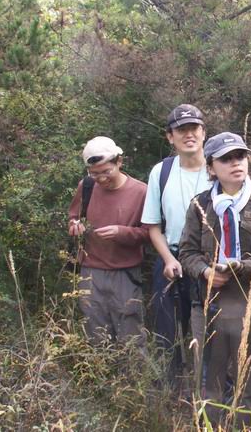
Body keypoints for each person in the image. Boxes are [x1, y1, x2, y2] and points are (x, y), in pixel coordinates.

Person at [178, 132, 251, 427]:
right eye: (226, 159)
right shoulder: (200, 205)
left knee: (249, 378)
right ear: (211, 168)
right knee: (209, 379)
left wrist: (243, 267)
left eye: (240, 156)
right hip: (208, 302)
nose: (236, 163)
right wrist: (206, 272)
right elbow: (186, 252)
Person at [141, 104, 212, 381]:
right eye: (181, 130)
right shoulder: (161, 172)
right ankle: (171, 394)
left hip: (211, 265)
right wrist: (168, 259)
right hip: (171, 261)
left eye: (194, 128)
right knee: (167, 334)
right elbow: (153, 225)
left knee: (211, 333)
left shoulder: (218, 167)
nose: (188, 135)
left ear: (204, 132)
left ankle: (208, 390)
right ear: (170, 137)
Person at [67, 136, 149, 345]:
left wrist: (122, 233)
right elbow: (73, 217)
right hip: (90, 272)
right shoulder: (86, 186)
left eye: (106, 171)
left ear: (119, 162)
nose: (101, 179)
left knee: (131, 337)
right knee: (95, 337)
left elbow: (150, 233)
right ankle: (101, 367)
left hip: (125, 274)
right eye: (94, 173)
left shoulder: (141, 191)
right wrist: (75, 226)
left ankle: (133, 368)